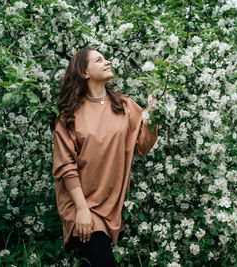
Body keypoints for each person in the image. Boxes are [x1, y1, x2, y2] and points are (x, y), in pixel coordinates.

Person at [52, 46, 158, 266]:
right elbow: (65, 166)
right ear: (85, 73)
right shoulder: (69, 114)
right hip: (80, 204)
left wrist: (152, 117)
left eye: (106, 58)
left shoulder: (124, 105)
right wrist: (82, 210)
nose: (107, 62)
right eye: (99, 60)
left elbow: (142, 147)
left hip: (109, 205)